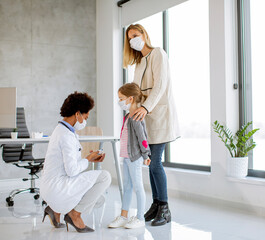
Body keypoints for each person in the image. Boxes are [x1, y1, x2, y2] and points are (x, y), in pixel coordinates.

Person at [123, 24, 180, 226]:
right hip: (146, 120)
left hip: (161, 116)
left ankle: (165, 209)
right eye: (130, 39)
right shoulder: (138, 64)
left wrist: (146, 108)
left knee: (155, 163)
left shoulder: (158, 54)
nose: (133, 41)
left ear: (144, 35)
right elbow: (136, 92)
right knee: (152, 165)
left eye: (136, 35)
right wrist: (130, 109)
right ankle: (156, 205)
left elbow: (160, 84)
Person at [40, 91, 111, 233]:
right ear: (77, 114)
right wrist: (88, 159)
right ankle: (74, 215)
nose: (85, 121)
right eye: (86, 116)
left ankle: (55, 210)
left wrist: (88, 158)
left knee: (99, 199)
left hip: (49, 188)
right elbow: (72, 171)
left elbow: (68, 161)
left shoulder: (62, 130)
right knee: (105, 177)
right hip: (57, 188)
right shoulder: (66, 135)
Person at [108, 83, 151, 229]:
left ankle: (140, 218)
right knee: (127, 186)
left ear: (130, 99)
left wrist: (146, 155)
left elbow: (143, 138)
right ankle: (123, 216)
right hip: (126, 157)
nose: (119, 101)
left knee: (138, 187)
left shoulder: (136, 117)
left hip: (135, 158)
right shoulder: (127, 116)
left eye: (121, 98)